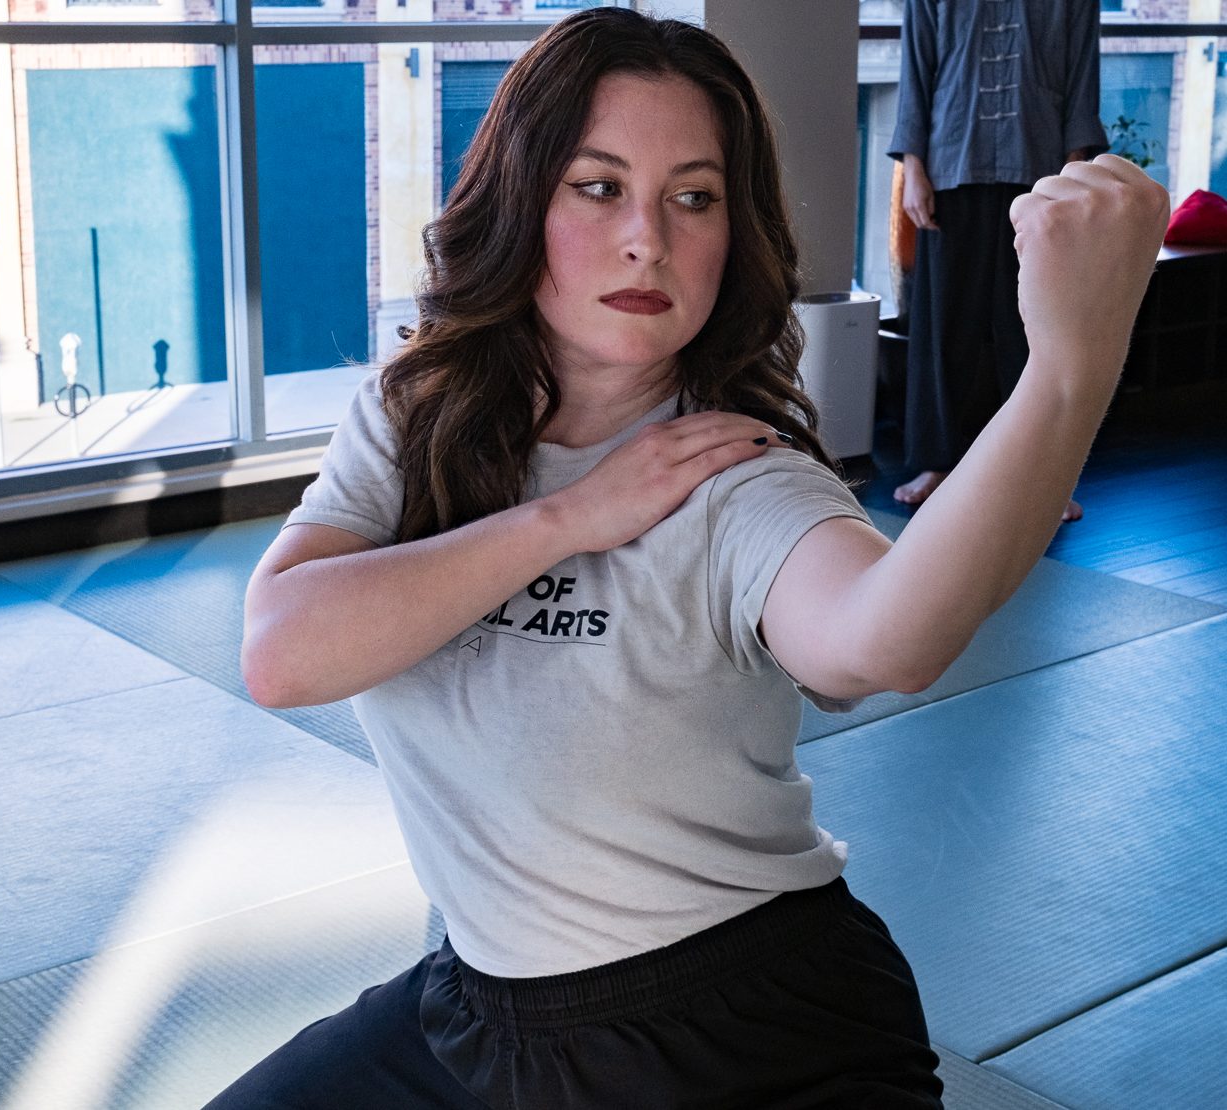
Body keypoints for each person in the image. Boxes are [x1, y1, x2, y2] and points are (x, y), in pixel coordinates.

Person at [220, 8, 1167, 1107]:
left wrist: (1065, 371)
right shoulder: (413, 420)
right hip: (482, 1013)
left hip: (745, 1029)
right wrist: (567, 517)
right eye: (597, 185)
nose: (648, 240)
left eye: (694, 197)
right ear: (520, 196)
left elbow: (883, 641)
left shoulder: (730, 471)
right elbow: (282, 655)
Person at [888, 0, 1109, 519]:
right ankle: (939, 464)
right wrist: (914, 170)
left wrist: (1070, 180)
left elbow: (1082, 80)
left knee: (1036, 333)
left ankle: (1044, 479)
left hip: (1037, 169)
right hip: (951, 169)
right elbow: (915, 74)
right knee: (946, 329)